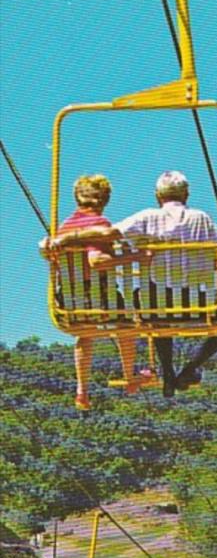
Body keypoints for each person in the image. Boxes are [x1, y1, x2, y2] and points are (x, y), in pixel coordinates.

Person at [52, 171, 217, 397]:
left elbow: (110, 233)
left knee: (152, 308)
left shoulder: (147, 217)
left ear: (158, 196)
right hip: (200, 305)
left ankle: (167, 372)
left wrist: (65, 238)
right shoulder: (202, 218)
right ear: (186, 195)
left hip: (154, 307)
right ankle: (188, 370)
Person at [40, 175, 139, 411]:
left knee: (85, 335)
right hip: (101, 298)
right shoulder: (100, 224)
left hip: (70, 302)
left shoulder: (63, 227)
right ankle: (129, 375)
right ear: (104, 200)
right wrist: (132, 258)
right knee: (128, 327)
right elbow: (96, 260)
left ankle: (82, 390)